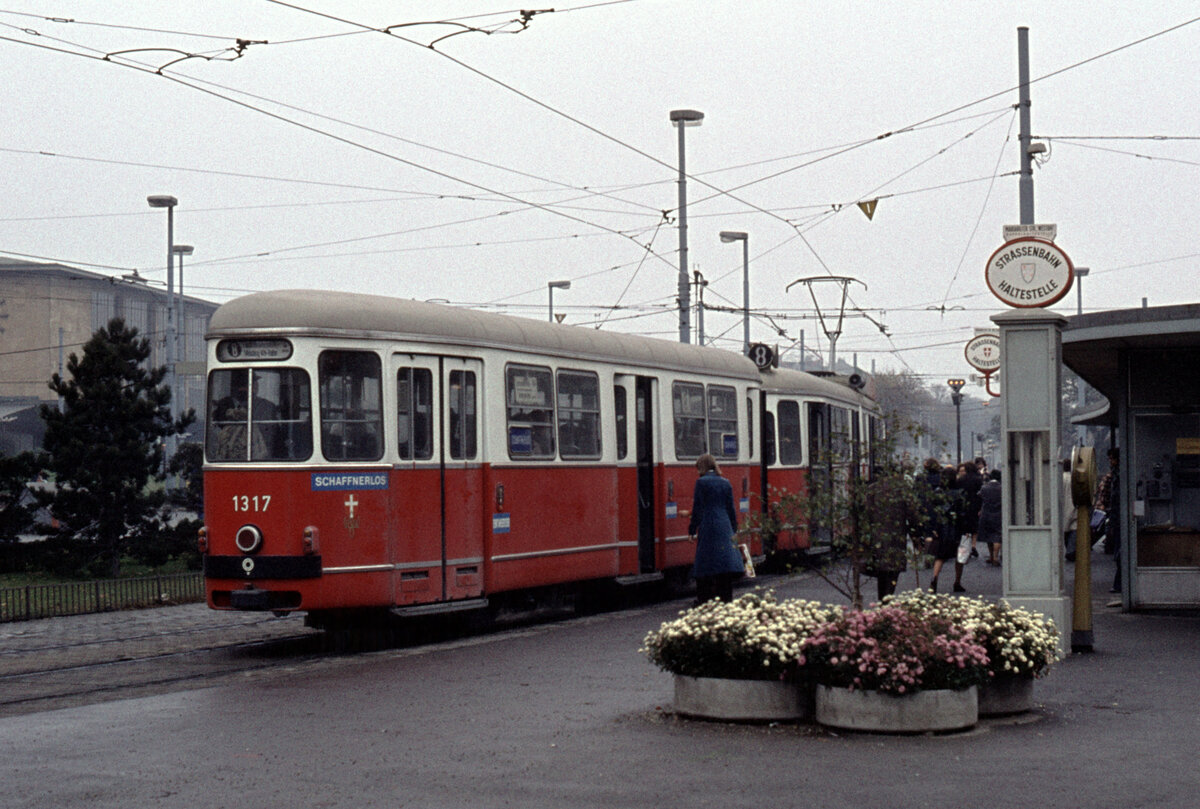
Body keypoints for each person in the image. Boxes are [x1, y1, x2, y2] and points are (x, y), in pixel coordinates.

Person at [687, 453, 744, 604]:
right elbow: (731, 509)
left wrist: (692, 530)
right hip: (724, 525)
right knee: (724, 563)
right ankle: (726, 599)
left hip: (708, 524)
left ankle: (704, 599)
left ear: (702, 467)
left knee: (705, 563)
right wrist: (734, 528)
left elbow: (697, 509)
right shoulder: (726, 483)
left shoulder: (701, 483)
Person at [922, 463, 966, 593]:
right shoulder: (960, 493)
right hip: (956, 527)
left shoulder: (937, 492)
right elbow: (963, 511)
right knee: (960, 555)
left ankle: (934, 579)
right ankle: (957, 582)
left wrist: (932, 527)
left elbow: (932, 511)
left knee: (940, 555)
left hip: (941, 526)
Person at [1094, 447, 1121, 593]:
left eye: (1112, 458)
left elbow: (1105, 495)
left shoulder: (1114, 476)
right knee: (1118, 551)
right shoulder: (1116, 475)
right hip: (1115, 517)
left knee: (1119, 552)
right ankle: (1119, 584)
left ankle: (1119, 584)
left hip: (1117, 518)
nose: (1110, 462)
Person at [958, 461, 983, 558]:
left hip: (964, 505)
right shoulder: (978, 479)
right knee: (974, 527)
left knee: (966, 528)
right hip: (975, 504)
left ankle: (966, 547)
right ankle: (973, 545)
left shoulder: (961, 479)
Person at [978, 469, 1002, 565]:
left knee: (988, 536)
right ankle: (996, 557)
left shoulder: (984, 488)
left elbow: (980, 496)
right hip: (999, 513)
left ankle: (991, 556)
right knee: (997, 536)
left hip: (986, 513)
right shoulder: (1002, 488)